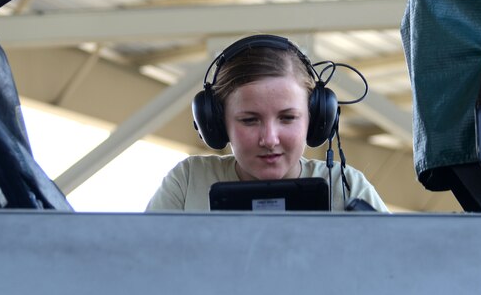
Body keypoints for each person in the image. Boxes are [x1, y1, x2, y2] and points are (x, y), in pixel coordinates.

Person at [146, 34, 387, 212]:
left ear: (316, 119)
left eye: (288, 118)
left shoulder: (346, 187)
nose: (270, 139)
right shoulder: (188, 182)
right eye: (249, 120)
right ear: (218, 123)